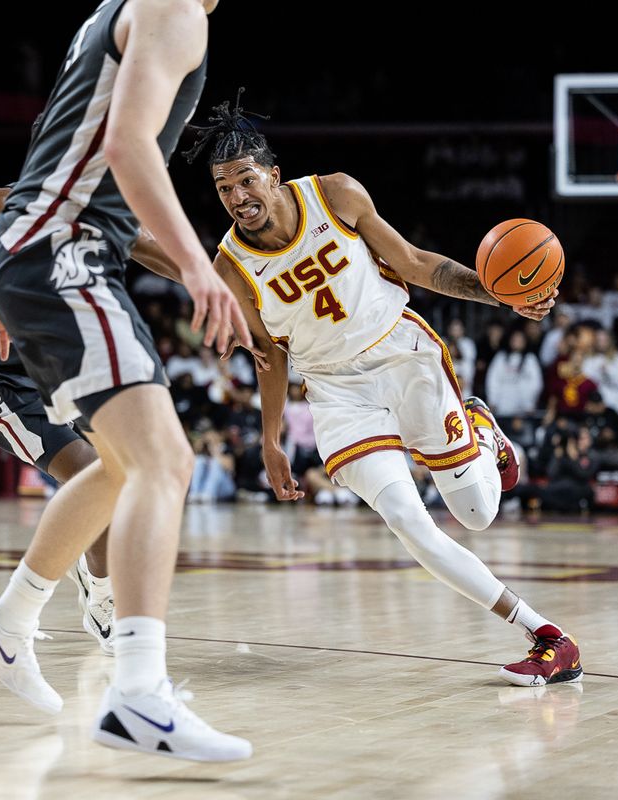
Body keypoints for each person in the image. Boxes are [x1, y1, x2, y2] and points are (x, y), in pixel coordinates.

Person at [188, 96, 581, 689]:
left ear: (272, 173)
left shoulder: (336, 195)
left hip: (402, 354)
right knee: (406, 519)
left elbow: (418, 264)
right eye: (223, 189)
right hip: (335, 390)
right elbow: (271, 358)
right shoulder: (231, 265)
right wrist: (270, 439)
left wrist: (498, 295)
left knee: (476, 515)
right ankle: (547, 636)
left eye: (246, 180)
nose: (238, 197)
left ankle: (479, 430)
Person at [0, 0, 252, 762]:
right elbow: (125, 144)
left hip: (41, 253)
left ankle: (8, 624)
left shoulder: (111, 11)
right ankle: (139, 695)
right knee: (165, 462)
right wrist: (195, 267)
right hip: (66, 255)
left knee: (121, 467)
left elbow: (55, 137)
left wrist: (5, 259)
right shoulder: (177, 11)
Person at [0, 186, 187, 652]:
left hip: (69, 372)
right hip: (0, 376)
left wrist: (229, 294)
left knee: (129, 473)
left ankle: (39, 602)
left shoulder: (106, 209)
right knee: (94, 473)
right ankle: (101, 602)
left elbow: (177, 262)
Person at [485, 329, 543, 418]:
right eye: (514, 340)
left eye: (520, 340)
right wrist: (492, 401)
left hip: (524, 410)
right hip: (502, 408)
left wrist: (531, 403)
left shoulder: (530, 359)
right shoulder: (501, 357)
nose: (517, 342)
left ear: (525, 342)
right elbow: (492, 380)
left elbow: (536, 383)